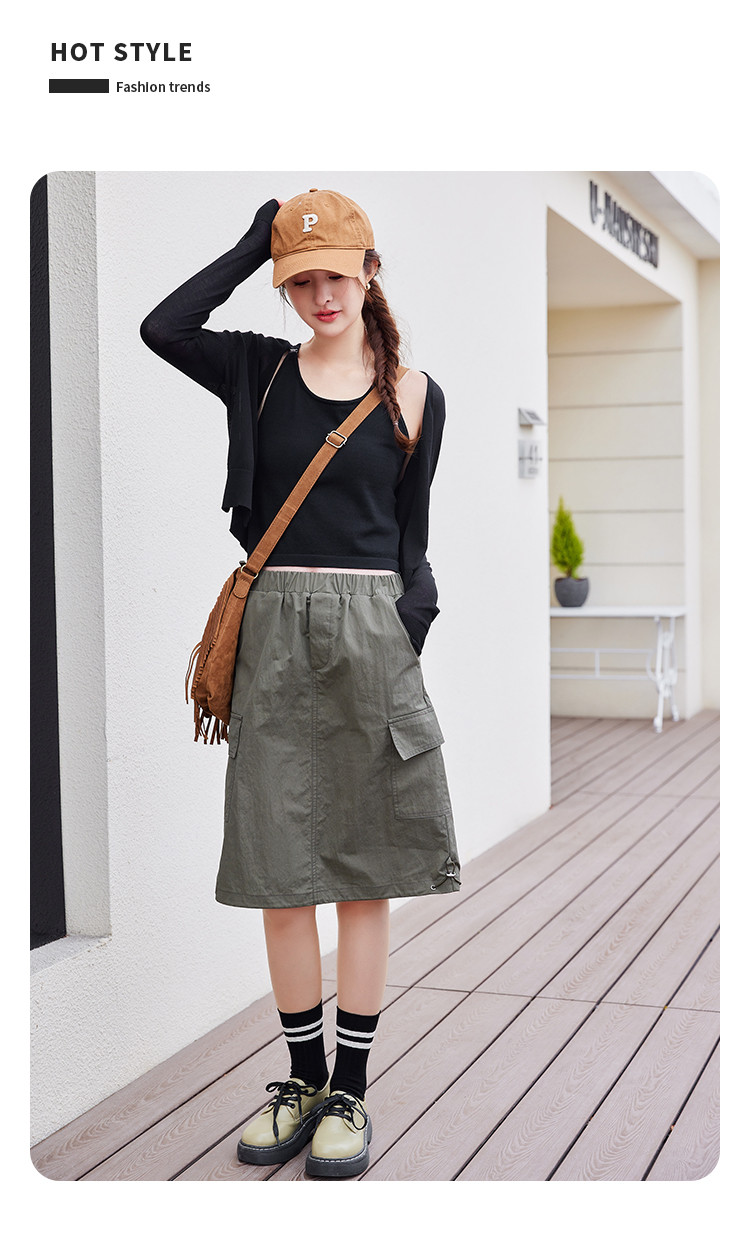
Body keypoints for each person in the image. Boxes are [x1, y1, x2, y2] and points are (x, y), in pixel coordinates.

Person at [140, 187, 460, 1179]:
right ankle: (303, 1079)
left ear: (371, 271)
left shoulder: (416, 395)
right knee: (282, 877)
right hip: (275, 639)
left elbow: (412, 540)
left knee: (364, 878)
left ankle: (350, 1094)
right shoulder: (257, 370)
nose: (322, 294)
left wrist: (401, 634)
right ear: (284, 287)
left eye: (337, 274)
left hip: (371, 638)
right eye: (301, 279)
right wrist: (253, 244)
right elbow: (163, 327)